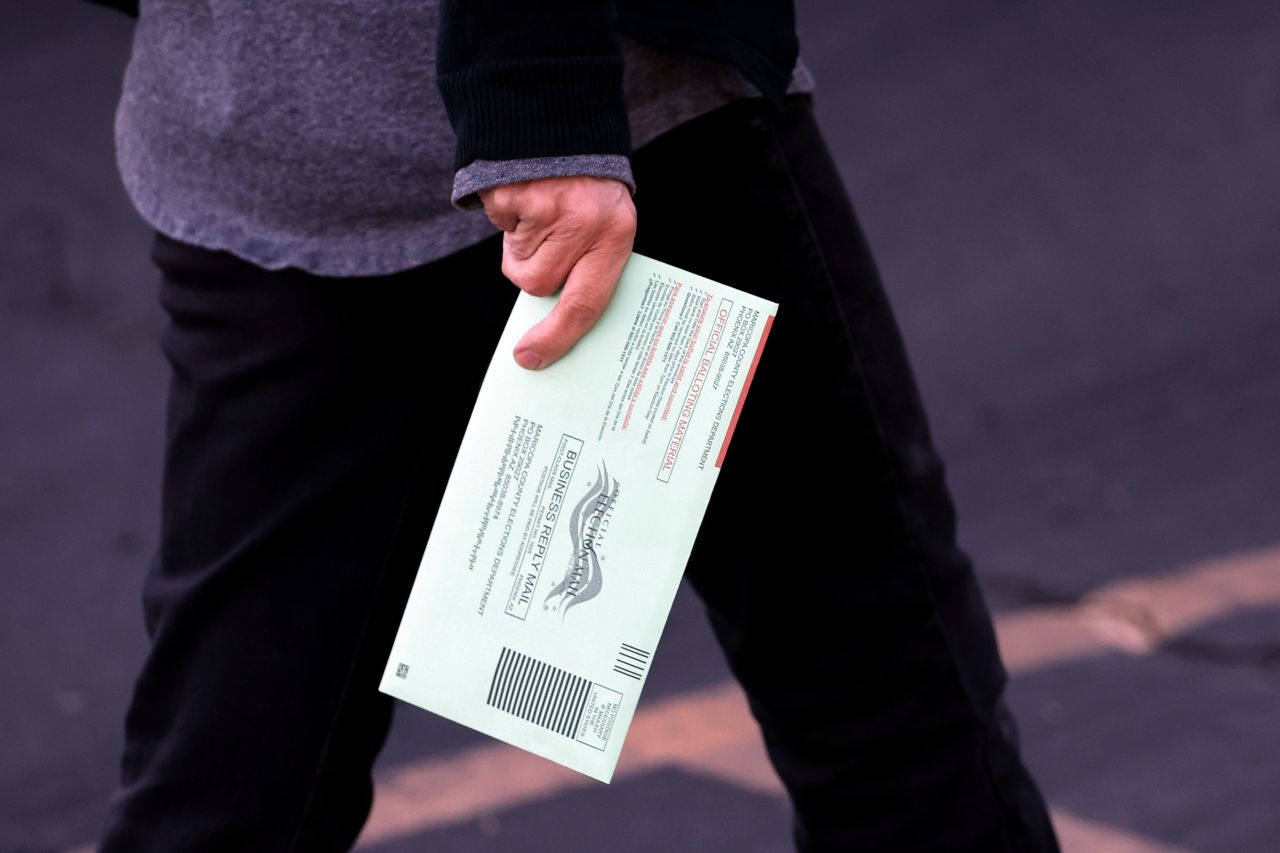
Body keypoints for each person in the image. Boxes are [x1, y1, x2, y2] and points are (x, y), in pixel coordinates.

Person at [91, 0, 1062, 850]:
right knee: (887, 716)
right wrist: (538, 105)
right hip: (611, 141)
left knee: (232, 776)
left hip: (269, 115)